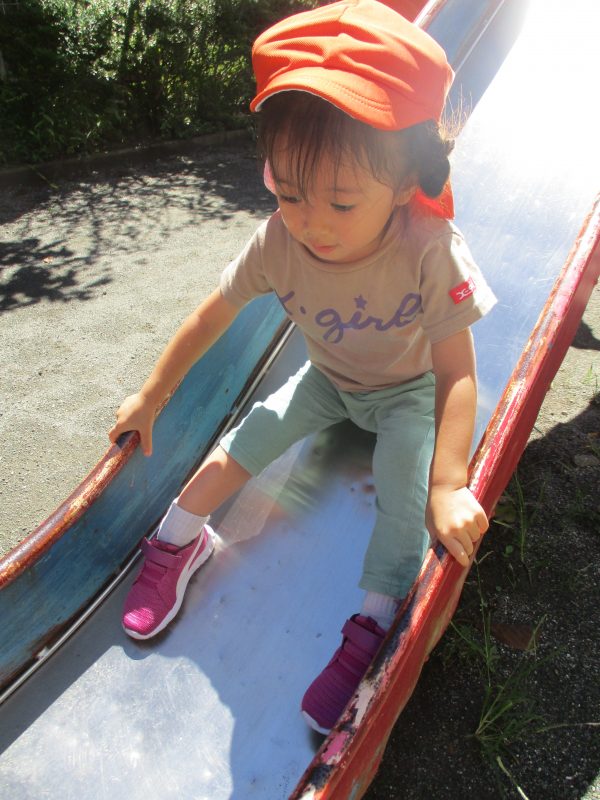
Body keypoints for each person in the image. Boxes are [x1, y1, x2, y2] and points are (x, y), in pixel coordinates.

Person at [108, 0, 495, 735]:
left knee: (404, 493)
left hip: (406, 393)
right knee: (247, 438)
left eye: (341, 202)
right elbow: (211, 314)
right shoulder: (280, 240)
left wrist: (448, 486)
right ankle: (180, 539)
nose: (312, 220)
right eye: (288, 192)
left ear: (403, 181)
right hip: (328, 380)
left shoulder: (428, 248)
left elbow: (457, 372)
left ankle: (375, 616)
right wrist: (153, 394)